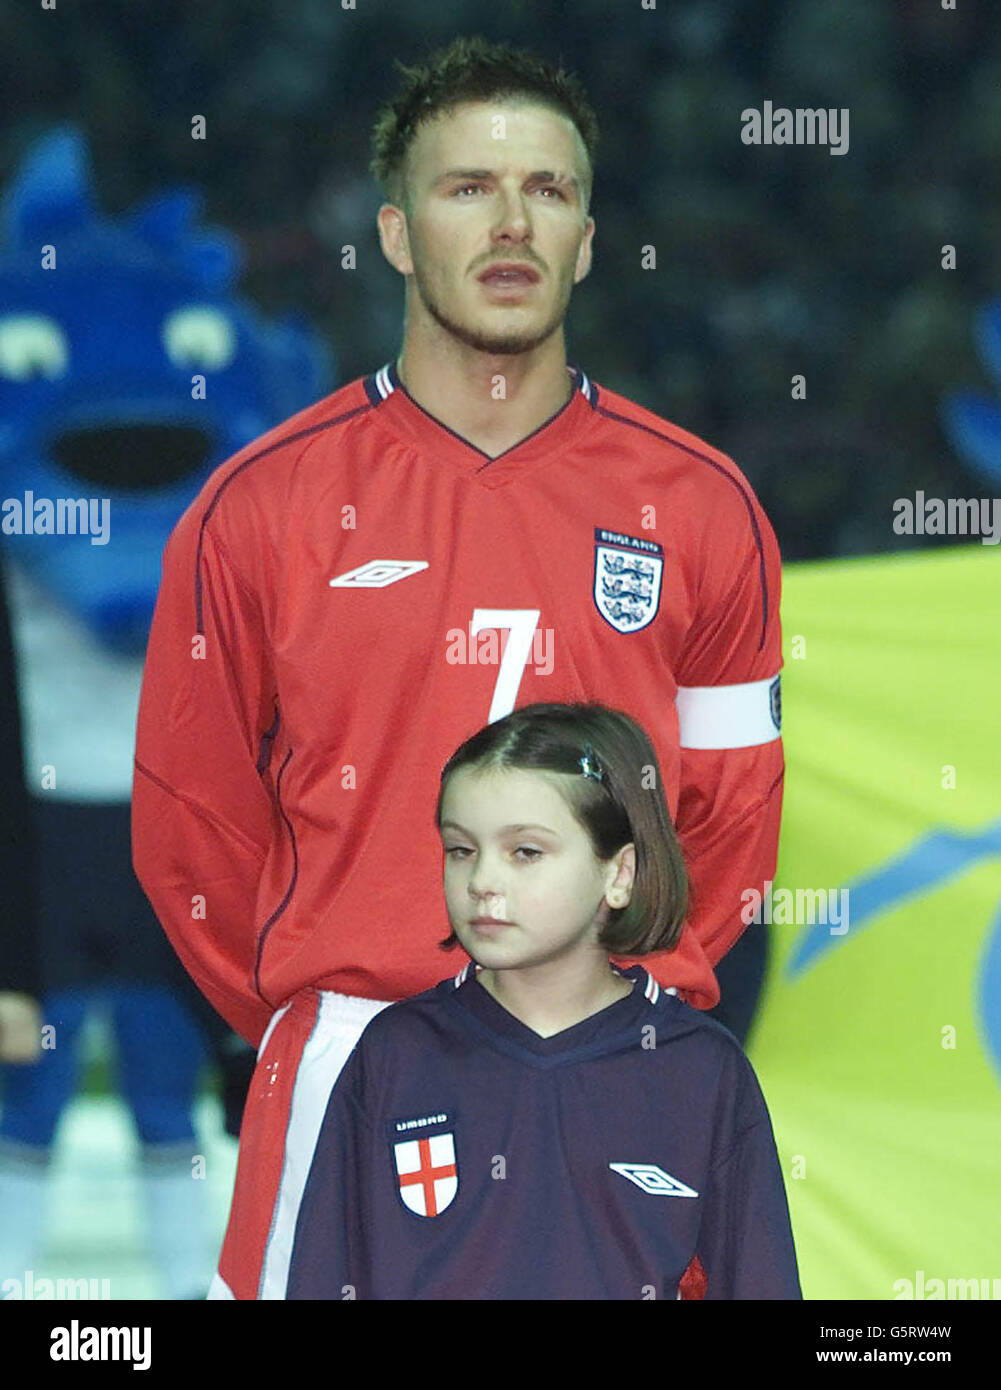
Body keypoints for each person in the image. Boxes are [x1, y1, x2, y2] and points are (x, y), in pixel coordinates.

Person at [131, 35, 784, 1301]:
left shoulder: (702, 509)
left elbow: (727, 818)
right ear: (391, 232)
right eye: (465, 186)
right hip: (345, 1066)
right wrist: (319, 998)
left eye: (546, 189)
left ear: (588, 239)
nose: (509, 222)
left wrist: (595, 1005)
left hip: (614, 1071)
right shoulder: (256, 509)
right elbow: (190, 829)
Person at [285, 702, 800, 1300]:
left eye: (525, 852)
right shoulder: (395, 1053)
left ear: (620, 874)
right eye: (461, 850)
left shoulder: (700, 1069)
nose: (482, 881)